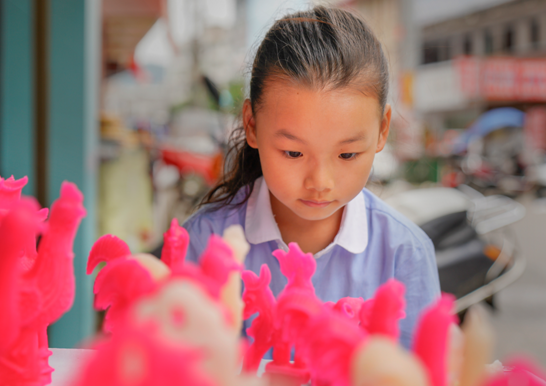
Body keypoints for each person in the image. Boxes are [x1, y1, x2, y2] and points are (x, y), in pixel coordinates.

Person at [182, 5, 440, 350]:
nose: (321, 181)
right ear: (252, 125)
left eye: (347, 155)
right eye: (293, 153)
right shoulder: (203, 242)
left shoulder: (404, 253)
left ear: (381, 130)